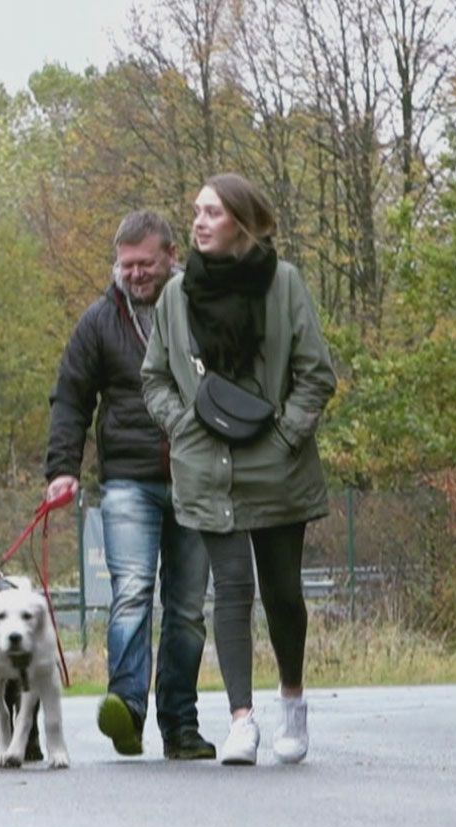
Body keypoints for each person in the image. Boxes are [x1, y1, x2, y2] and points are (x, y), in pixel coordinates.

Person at [140, 173, 337, 766]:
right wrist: (180, 424)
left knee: (281, 593)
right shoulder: (174, 296)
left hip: (277, 467)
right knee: (229, 589)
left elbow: (316, 373)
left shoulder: (283, 284)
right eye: (196, 211)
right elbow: (154, 376)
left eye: (214, 213)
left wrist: (285, 434)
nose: (199, 222)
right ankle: (241, 720)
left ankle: (293, 703)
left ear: (244, 224)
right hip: (206, 466)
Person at [43, 210, 215, 762]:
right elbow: (71, 397)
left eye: (145, 263)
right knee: (132, 594)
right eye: (126, 265)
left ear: (170, 255)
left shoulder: (202, 309)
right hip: (127, 482)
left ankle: (181, 725)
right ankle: (127, 709)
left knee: (187, 608)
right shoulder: (99, 321)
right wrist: (62, 468)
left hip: (197, 476)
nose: (136, 274)